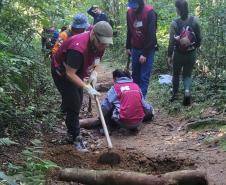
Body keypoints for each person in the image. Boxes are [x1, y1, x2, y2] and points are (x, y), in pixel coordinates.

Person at [51, 21, 113, 152]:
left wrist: (93, 73)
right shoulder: (78, 48)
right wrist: (87, 87)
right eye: (101, 43)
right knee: (74, 103)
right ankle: (74, 136)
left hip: (76, 70)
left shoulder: (100, 45)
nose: (103, 46)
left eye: (105, 44)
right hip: (62, 73)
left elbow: (95, 61)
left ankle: (71, 124)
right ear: (93, 35)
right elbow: (69, 73)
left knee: (76, 101)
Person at [167, 0, 201, 106]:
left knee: (176, 74)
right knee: (187, 75)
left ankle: (175, 94)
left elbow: (172, 41)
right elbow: (199, 38)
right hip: (191, 53)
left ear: (178, 9)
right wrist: (194, 47)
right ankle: (187, 92)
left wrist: (169, 55)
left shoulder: (175, 23)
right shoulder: (194, 20)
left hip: (178, 54)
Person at [126, 0, 157, 98]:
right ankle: (135, 97)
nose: (133, 8)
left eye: (135, 6)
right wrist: (128, 46)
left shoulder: (150, 12)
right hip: (135, 48)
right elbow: (129, 29)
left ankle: (142, 100)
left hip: (148, 49)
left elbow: (151, 35)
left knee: (144, 76)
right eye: (132, 6)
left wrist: (145, 53)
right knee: (135, 75)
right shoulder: (129, 12)